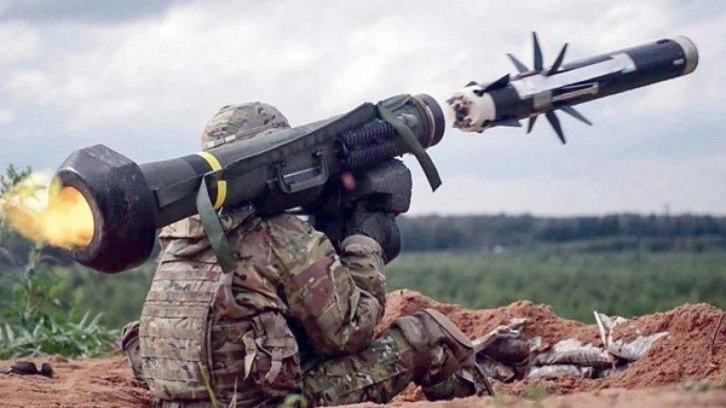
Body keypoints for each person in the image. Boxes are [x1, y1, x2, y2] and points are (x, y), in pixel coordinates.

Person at [121, 102, 492, 407]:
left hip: (184, 398)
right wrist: (364, 243)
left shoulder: (179, 232)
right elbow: (351, 332)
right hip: (269, 403)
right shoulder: (279, 235)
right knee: (429, 335)